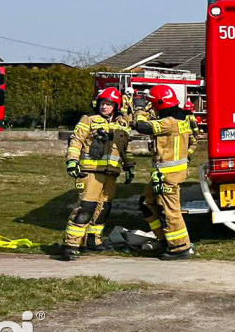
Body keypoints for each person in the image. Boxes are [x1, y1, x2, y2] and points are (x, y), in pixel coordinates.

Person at [61, 87, 134, 261]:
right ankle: (71, 245)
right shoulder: (89, 120)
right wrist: (72, 161)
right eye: (103, 103)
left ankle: (94, 240)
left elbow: (126, 147)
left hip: (111, 174)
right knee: (86, 208)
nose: (105, 107)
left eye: (109, 104)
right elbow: (76, 140)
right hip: (91, 172)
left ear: (115, 106)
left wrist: (129, 165)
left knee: (103, 210)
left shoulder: (121, 124)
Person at [131, 85, 196, 260]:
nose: (151, 106)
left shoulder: (169, 122)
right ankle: (164, 239)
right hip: (163, 174)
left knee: (170, 211)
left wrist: (139, 108)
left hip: (169, 175)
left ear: (160, 103)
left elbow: (142, 126)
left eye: (153, 103)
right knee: (146, 203)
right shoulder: (179, 117)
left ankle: (180, 247)